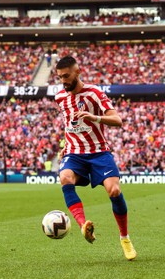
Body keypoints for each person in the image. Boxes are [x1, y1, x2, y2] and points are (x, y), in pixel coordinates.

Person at [54, 55, 137, 261]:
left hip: (99, 152)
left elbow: (117, 120)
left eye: (66, 76)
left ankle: (125, 238)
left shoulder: (94, 93)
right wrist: (65, 146)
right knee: (64, 177)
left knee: (114, 190)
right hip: (74, 153)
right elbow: (69, 124)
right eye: (60, 77)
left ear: (78, 72)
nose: (63, 81)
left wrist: (95, 117)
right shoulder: (60, 98)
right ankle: (83, 225)